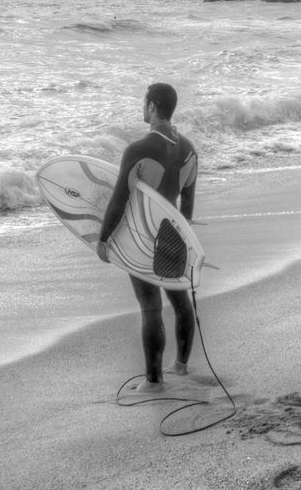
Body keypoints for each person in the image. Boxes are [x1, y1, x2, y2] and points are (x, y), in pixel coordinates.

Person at [98, 82, 198, 387]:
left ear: (152, 106)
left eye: (144, 103)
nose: (143, 108)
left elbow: (119, 199)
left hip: (142, 237)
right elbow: (188, 208)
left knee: (151, 307)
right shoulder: (189, 150)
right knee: (180, 301)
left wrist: (103, 239)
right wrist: (183, 241)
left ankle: (154, 381)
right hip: (174, 234)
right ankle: (181, 366)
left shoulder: (138, 150)